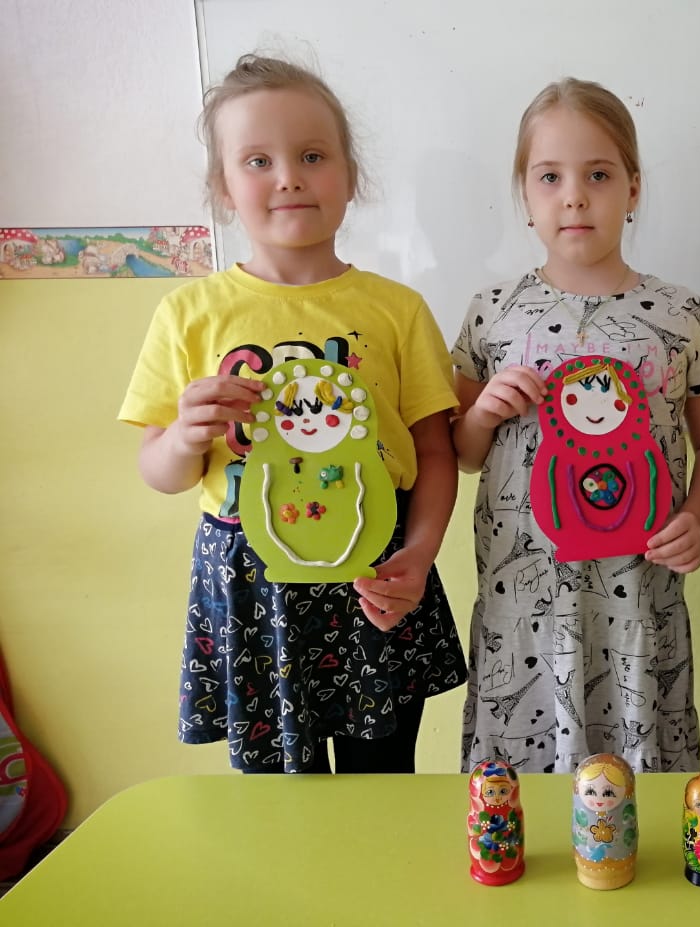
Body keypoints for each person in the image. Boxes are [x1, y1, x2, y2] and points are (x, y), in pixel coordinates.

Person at [118, 54, 464, 774]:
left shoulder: (397, 310)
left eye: (312, 156)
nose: (289, 178)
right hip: (253, 585)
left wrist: (420, 552)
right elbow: (159, 470)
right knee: (277, 796)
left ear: (350, 175)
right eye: (258, 160)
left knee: (381, 784)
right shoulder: (188, 313)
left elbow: (435, 452)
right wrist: (184, 436)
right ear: (223, 187)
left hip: (375, 569)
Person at [451, 78, 700, 774]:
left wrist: (697, 518)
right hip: (524, 603)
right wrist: (484, 412)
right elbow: (462, 452)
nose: (574, 196)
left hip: (638, 596)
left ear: (633, 189)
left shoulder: (680, 312)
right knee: (518, 794)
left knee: (636, 782)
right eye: (550, 177)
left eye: (599, 175)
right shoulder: (492, 311)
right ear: (525, 194)